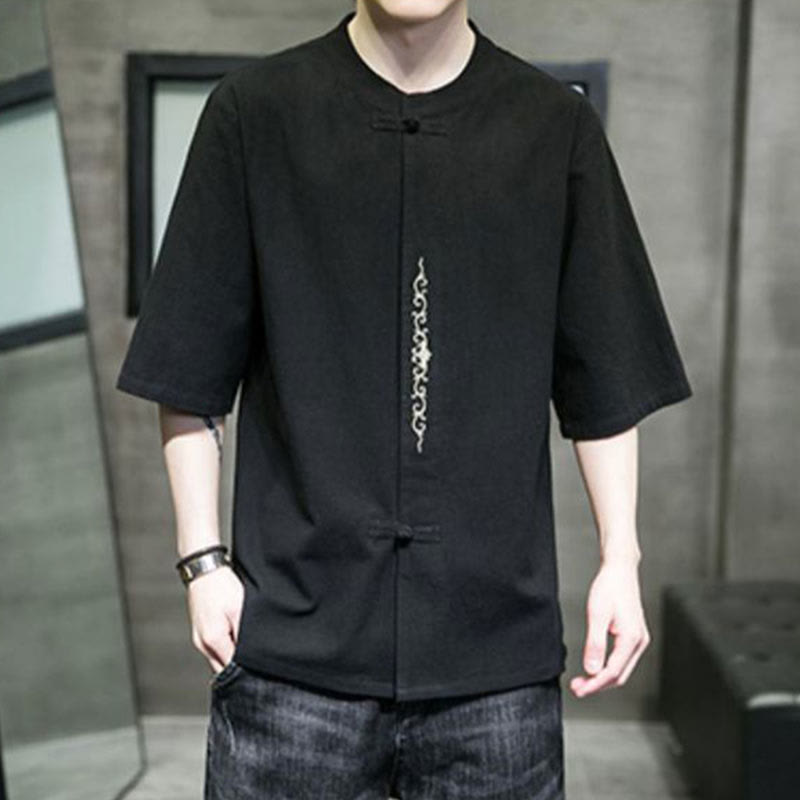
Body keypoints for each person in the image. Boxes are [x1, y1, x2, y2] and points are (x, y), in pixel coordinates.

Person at [116, 1, 693, 797]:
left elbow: (604, 373)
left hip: (493, 659)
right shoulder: (255, 113)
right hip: (294, 652)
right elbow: (188, 366)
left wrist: (620, 562)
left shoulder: (553, 126)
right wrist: (202, 563)